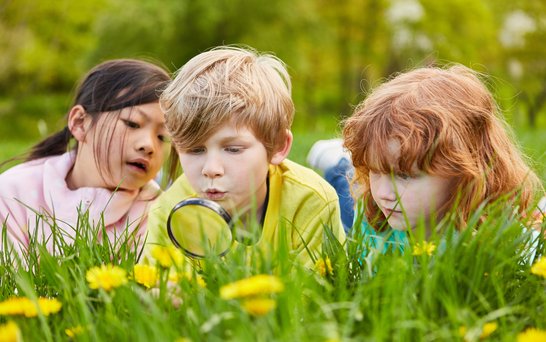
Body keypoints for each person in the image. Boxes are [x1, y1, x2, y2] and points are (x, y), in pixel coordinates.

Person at [142, 46, 345, 268]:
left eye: (233, 149)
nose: (211, 169)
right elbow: (155, 288)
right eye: (194, 150)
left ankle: (339, 164)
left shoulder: (311, 201)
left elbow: (313, 293)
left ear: (277, 146)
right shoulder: (167, 211)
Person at [308, 65, 544, 253]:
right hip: (358, 208)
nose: (384, 193)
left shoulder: (502, 242)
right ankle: (340, 164)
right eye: (375, 170)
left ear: (464, 169)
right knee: (347, 206)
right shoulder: (371, 227)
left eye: (403, 175)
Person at [0, 59, 171, 256]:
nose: (149, 145)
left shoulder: (159, 212)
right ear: (80, 123)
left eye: (162, 137)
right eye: (132, 124)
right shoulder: (12, 194)